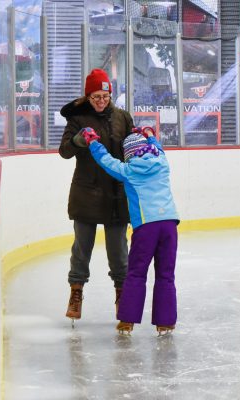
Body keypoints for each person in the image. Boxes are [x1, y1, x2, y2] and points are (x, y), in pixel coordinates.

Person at [85, 126, 180, 336]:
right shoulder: (162, 162)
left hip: (146, 226)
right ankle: (165, 323)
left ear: (129, 154)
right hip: (170, 225)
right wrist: (150, 135)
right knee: (166, 274)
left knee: (136, 273)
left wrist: (93, 143)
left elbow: (107, 161)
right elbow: (158, 147)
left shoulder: (128, 171)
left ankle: (127, 321)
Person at [59, 68, 135, 323]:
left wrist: (144, 142)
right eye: (95, 97)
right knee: (82, 248)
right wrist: (79, 140)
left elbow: (132, 151)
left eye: (105, 96)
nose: (101, 101)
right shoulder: (78, 119)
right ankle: (76, 293)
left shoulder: (123, 118)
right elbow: (64, 151)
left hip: (117, 196)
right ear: (87, 97)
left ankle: (122, 299)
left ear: (111, 94)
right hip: (86, 194)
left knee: (119, 252)